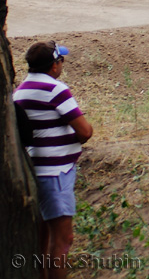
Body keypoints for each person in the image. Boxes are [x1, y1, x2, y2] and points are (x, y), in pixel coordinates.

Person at [14, 41, 93, 279]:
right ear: (54, 65)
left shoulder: (19, 91)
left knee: (41, 240)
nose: (62, 66)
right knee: (62, 241)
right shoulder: (55, 90)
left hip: (33, 169)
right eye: (61, 61)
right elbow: (85, 131)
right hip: (56, 173)